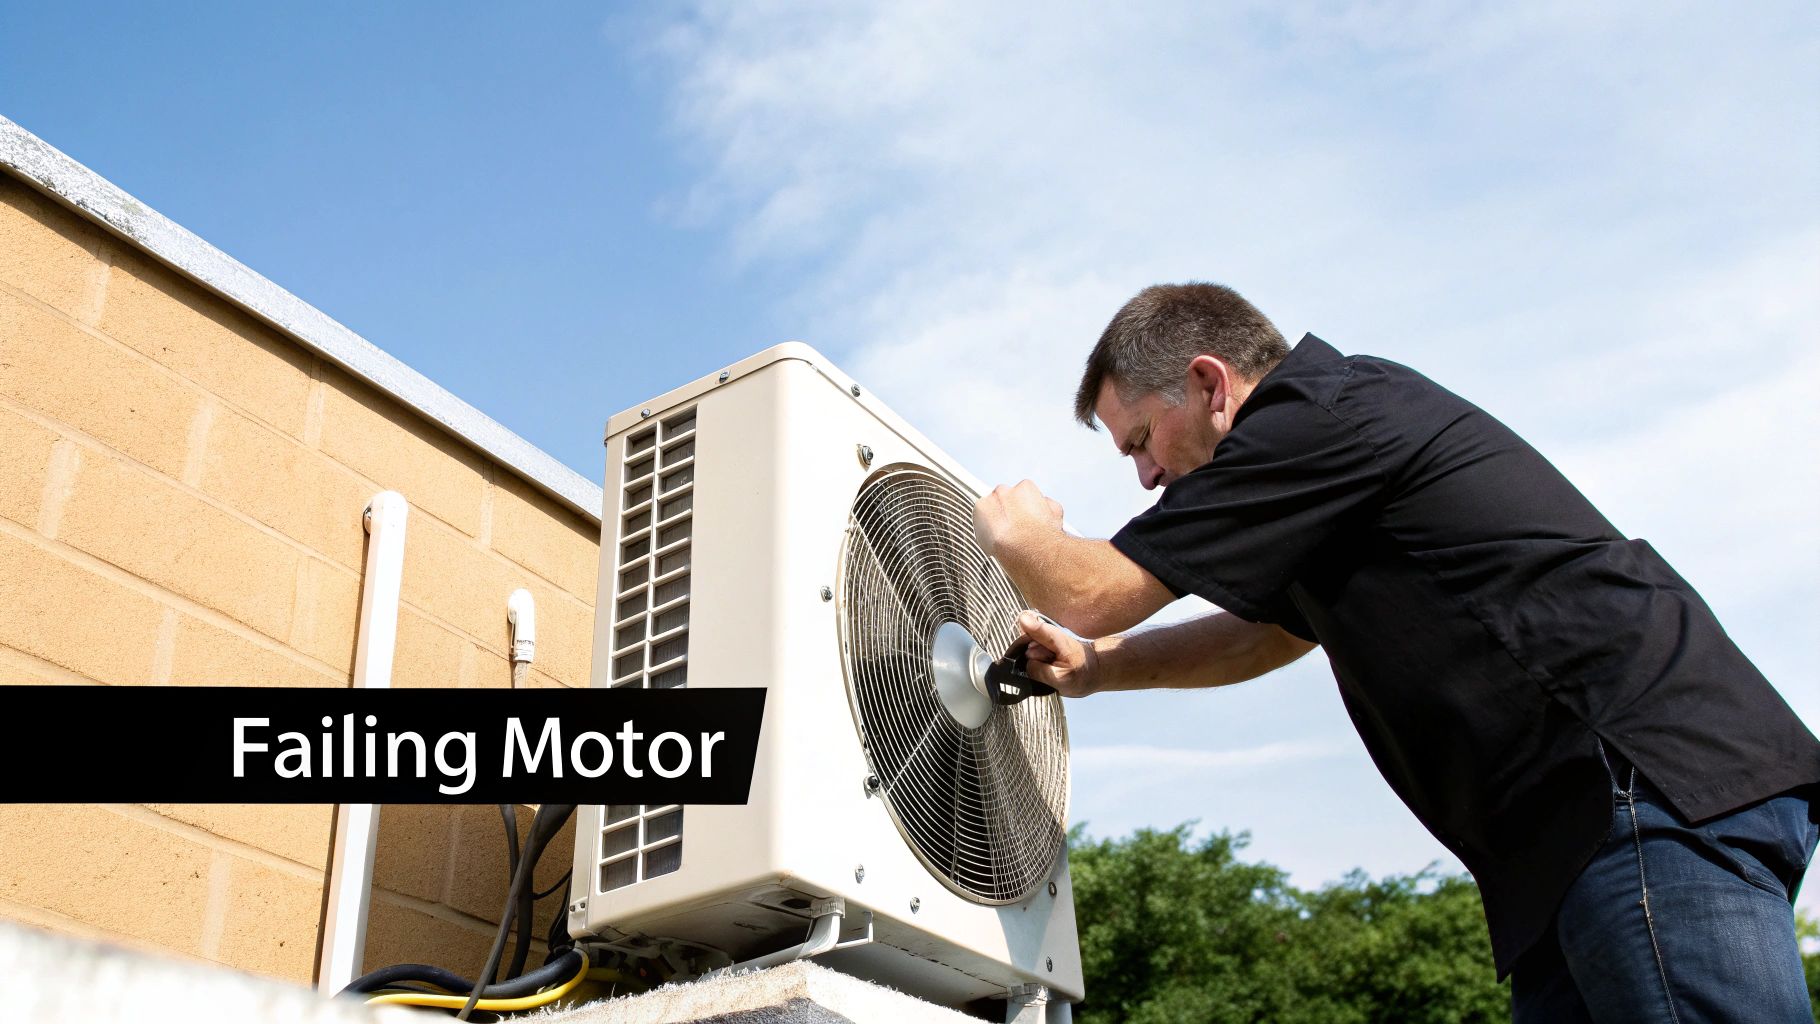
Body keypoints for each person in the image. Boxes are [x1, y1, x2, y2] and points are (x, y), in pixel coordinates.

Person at [972, 282, 1820, 1023]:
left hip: (1633, 789)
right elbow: (1270, 632)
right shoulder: (1317, 473)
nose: (1146, 476)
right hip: (1574, 842)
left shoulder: (1313, 418)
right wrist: (1102, 666)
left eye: (1140, 441)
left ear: (1208, 383)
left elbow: (1090, 588)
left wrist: (1020, 538)